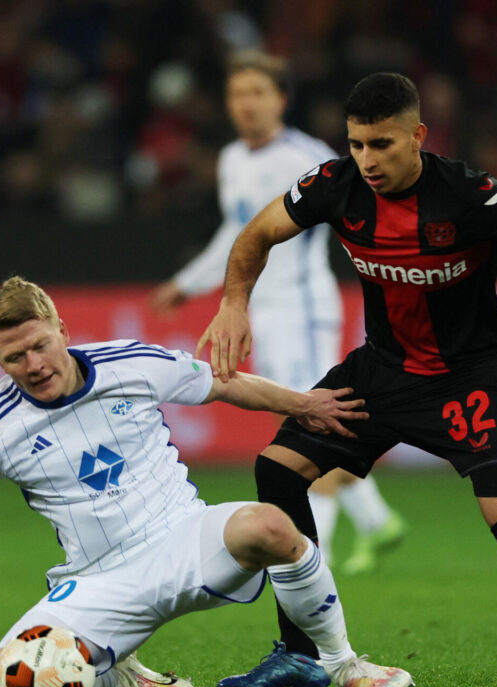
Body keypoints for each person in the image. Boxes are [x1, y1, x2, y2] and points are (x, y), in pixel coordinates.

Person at [198, 73, 497, 687]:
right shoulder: (334, 185)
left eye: (381, 144)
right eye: (356, 145)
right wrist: (234, 303)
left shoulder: (471, 194)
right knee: (278, 469)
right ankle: (299, 655)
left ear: (417, 136)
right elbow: (257, 233)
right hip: (380, 373)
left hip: (467, 380)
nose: (367, 160)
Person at [0, 276, 415, 687]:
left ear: (61, 330)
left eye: (40, 345)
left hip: (186, 538)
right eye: (14, 356)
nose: (34, 364)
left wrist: (303, 404)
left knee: (271, 525)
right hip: (100, 578)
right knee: (4, 684)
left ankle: (342, 663)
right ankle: (122, 680)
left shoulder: (130, 362)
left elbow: (224, 384)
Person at [149, 50, 405, 576]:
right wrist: (188, 282)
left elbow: (362, 208)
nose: (246, 104)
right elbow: (234, 233)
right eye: (237, 94)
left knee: (311, 418)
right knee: (296, 415)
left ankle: (322, 551)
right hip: (262, 308)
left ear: (281, 100)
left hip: (304, 306)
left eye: (257, 93)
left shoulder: (306, 156)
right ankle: (376, 520)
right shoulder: (232, 160)